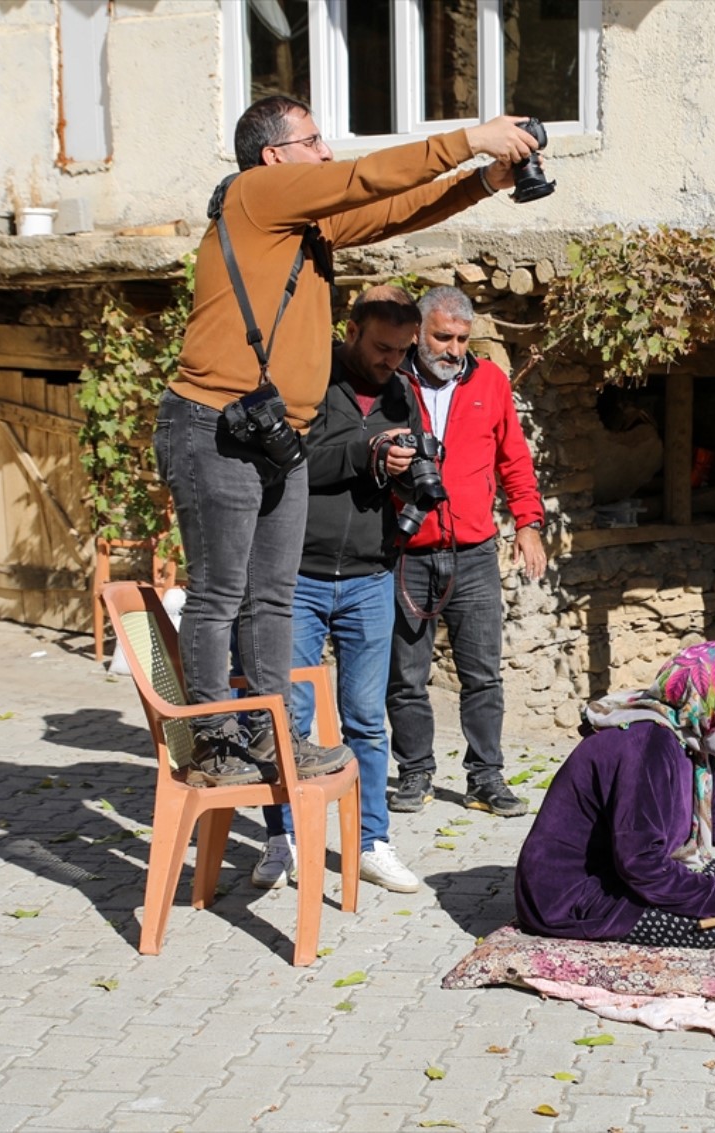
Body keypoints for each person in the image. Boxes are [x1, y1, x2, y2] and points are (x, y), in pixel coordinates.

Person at [159, 94, 543, 788]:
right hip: (215, 423)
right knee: (221, 593)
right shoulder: (256, 193)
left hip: (278, 435)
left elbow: (395, 208)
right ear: (276, 155)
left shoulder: (301, 229)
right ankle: (213, 742)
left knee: (270, 595)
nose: (327, 151)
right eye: (313, 140)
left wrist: (483, 181)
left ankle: (276, 737)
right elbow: (367, 180)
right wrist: (472, 138)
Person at [253, 286, 426, 893]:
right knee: (288, 716)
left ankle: (371, 841)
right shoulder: (308, 375)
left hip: (370, 578)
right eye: (382, 348)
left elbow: (394, 468)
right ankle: (285, 839)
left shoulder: (402, 390)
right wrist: (365, 450)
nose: (392, 361)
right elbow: (287, 461)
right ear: (351, 330)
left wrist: (408, 470)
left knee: (365, 719)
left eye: (403, 350)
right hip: (295, 575)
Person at [514, 642, 715, 946]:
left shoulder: (690, 735)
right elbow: (640, 861)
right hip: (572, 894)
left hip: (620, 869)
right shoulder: (650, 746)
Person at [386, 287, 546, 818]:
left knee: (483, 674)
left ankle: (485, 778)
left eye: (461, 338)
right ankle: (415, 774)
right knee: (406, 675)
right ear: (417, 332)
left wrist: (528, 522)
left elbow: (514, 459)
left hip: (473, 552)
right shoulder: (390, 381)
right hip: (406, 550)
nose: (453, 349)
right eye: (442, 337)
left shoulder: (490, 381)